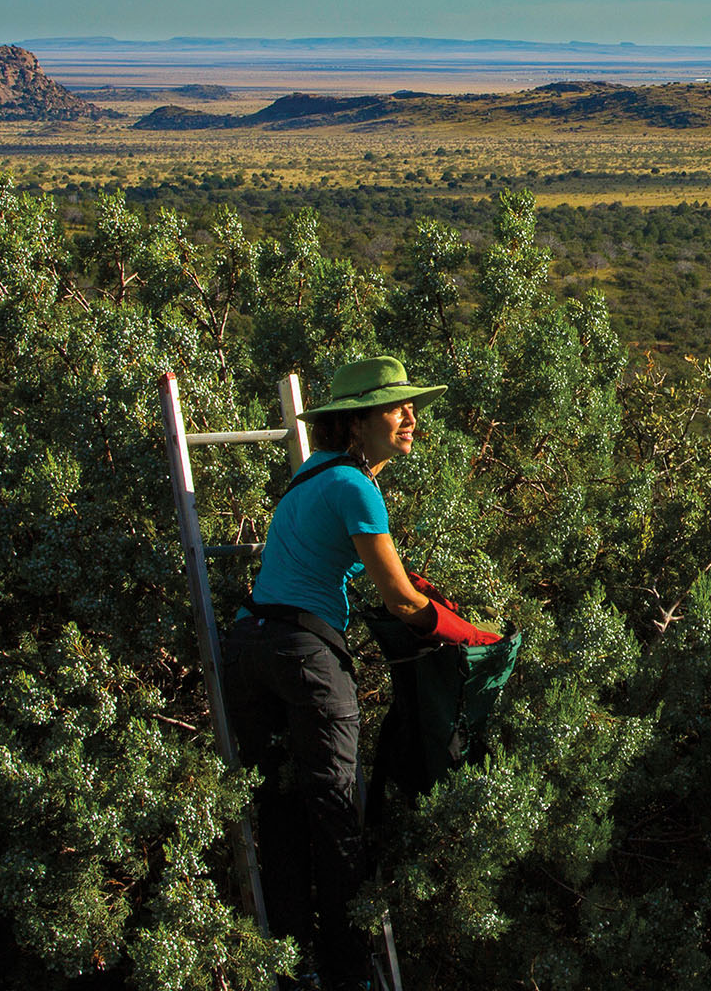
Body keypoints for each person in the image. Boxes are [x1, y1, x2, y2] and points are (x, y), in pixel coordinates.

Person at [220, 354, 447, 990]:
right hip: (306, 656)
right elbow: (400, 598)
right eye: (394, 409)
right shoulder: (355, 486)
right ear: (355, 424)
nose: (409, 418)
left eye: (410, 407)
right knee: (337, 811)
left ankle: (292, 963)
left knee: (281, 807)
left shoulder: (310, 474)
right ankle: (349, 972)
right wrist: (460, 630)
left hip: (250, 648)